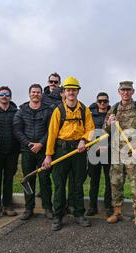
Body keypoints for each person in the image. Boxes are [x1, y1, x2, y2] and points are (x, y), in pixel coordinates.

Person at [43, 76, 95, 231]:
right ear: (63, 92)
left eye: (74, 90)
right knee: (59, 185)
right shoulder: (58, 110)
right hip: (61, 151)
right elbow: (52, 134)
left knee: (78, 183)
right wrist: (48, 155)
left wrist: (84, 141)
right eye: (68, 90)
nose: (71, 92)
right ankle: (58, 216)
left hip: (78, 151)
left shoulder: (85, 110)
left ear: (78, 91)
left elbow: (91, 129)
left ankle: (79, 214)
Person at [104, 81, 136, 224]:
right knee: (116, 183)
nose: (125, 93)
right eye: (123, 90)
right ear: (119, 91)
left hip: (133, 153)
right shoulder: (114, 109)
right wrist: (109, 123)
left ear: (133, 91)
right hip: (117, 153)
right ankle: (117, 213)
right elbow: (105, 130)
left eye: (128, 90)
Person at [14, 84, 53, 221]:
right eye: (33, 92)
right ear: (29, 94)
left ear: (41, 94)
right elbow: (17, 130)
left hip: (43, 151)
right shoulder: (21, 111)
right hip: (27, 151)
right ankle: (28, 208)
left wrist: (41, 143)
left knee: (45, 180)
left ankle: (47, 207)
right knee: (28, 180)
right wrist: (29, 144)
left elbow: (51, 130)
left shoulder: (48, 111)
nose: (35, 94)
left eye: (38, 92)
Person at [0, 86, 20, 221]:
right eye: (2, 94)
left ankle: (7, 205)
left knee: (8, 179)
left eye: (7, 94)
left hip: (12, 152)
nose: (4, 96)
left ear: (10, 97)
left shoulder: (16, 112)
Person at [86, 92, 113, 217]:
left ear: (108, 102)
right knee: (94, 180)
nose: (102, 103)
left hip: (108, 152)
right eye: (100, 101)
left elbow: (115, 134)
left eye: (105, 101)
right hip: (94, 152)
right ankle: (92, 206)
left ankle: (108, 206)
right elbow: (88, 132)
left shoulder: (112, 114)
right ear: (97, 102)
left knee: (109, 181)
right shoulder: (90, 114)